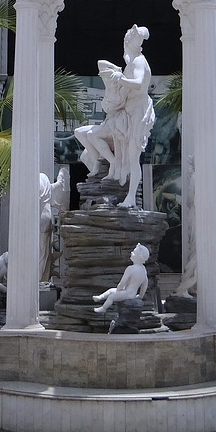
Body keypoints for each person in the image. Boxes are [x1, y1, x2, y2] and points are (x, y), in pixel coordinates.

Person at [74, 24, 155, 208]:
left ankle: (131, 197)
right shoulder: (131, 61)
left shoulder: (138, 61)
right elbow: (102, 64)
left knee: (133, 157)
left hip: (137, 113)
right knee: (124, 152)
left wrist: (121, 79)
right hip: (127, 112)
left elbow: (139, 83)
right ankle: (117, 174)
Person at [93, 243, 150, 313]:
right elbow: (145, 285)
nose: (131, 252)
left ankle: (103, 308)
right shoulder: (144, 270)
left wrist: (118, 289)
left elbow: (122, 282)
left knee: (111, 296)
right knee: (111, 290)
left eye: (134, 252)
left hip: (127, 294)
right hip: (132, 294)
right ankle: (100, 297)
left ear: (139, 257)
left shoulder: (130, 269)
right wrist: (140, 296)